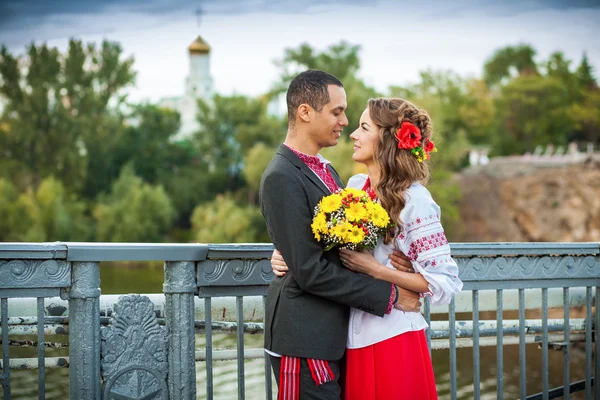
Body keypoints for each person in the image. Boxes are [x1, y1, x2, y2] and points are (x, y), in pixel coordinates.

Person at [271, 97, 463, 399]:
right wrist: (285, 252)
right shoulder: (353, 187)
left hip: (393, 335)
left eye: (363, 127)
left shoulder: (416, 201)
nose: (353, 134)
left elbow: (445, 283)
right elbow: (319, 239)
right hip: (350, 336)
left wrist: (375, 269)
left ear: (386, 139)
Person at [259, 70, 421, 400]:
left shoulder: (328, 170)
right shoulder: (281, 176)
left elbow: (335, 243)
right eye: (336, 111)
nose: (344, 121)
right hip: (304, 339)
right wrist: (390, 295)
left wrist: (394, 260)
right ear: (305, 112)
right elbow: (309, 271)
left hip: (332, 336)